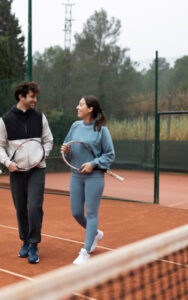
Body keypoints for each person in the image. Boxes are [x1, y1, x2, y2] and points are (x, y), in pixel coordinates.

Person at [0, 81, 53, 264]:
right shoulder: (5, 120)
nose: (35, 100)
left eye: (35, 96)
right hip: (16, 172)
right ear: (22, 96)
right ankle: (25, 241)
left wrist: (41, 157)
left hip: (37, 171)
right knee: (21, 209)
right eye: (32, 96)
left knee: (34, 207)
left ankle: (34, 244)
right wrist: (7, 163)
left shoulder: (40, 117)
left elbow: (48, 140)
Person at [61, 95, 115, 265]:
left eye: (81, 105)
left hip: (94, 177)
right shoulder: (75, 126)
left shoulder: (102, 130)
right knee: (76, 212)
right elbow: (67, 147)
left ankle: (85, 252)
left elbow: (109, 154)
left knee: (91, 213)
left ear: (90, 109)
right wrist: (65, 149)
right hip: (76, 176)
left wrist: (93, 164)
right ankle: (95, 234)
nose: (77, 107)